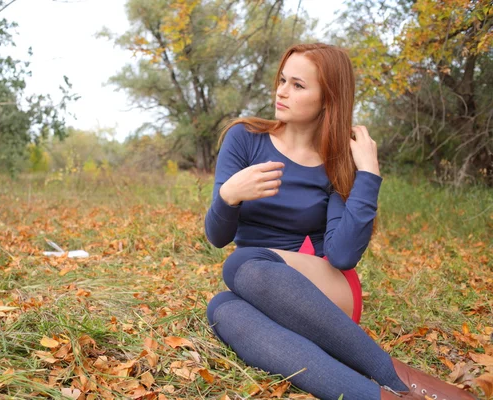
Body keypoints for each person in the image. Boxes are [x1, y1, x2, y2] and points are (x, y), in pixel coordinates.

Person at [204, 43, 477, 400]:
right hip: (258, 287)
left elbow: (343, 255)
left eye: (298, 85)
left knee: (243, 261)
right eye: (282, 80)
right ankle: (377, 397)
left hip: (325, 289)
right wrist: (229, 195)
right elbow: (217, 236)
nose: (282, 91)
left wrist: (368, 173)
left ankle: (393, 375)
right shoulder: (244, 138)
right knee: (223, 310)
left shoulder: (337, 160)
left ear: (327, 99)